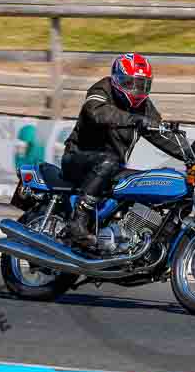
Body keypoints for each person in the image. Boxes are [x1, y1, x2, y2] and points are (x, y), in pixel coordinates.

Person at [61, 53, 184, 246]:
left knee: (147, 182)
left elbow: (162, 134)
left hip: (113, 168)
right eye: (130, 83)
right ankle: (77, 221)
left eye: (142, 85)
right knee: (107, 162)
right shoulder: (103, 89)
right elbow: (96, 112)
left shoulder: (144, 107)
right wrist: (134, 120)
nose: (136, 91)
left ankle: (133, 241)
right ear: (117, 79)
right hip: (78, 159)